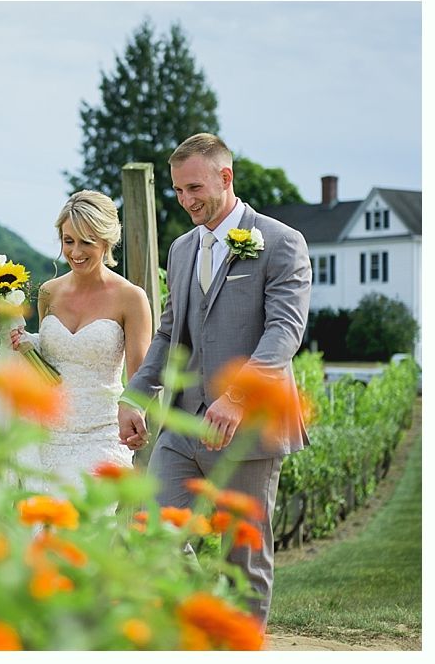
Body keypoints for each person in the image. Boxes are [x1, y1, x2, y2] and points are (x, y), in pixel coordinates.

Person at [117, 133, 311, 626]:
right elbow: (167, 334)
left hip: (249, 429)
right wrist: (134, 396)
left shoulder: (282, 242)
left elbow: (283, 331)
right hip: (183, 426)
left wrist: (238, 395)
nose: (186, 200)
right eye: (179, 191)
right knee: (149, 533)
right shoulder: (181, 250)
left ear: (226, 178)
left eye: (194, 188)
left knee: (241, 558)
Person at [9, 190, 152, 494]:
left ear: (106, 240)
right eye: (68, 240)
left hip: (102, 436)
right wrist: (24, 345)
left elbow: (142, 375)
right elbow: (49, 361)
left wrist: (137, 414)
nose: (75, 252)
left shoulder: (131, 298)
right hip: (45, 436)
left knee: (83, 527)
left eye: (87, 241)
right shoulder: (48, 292)